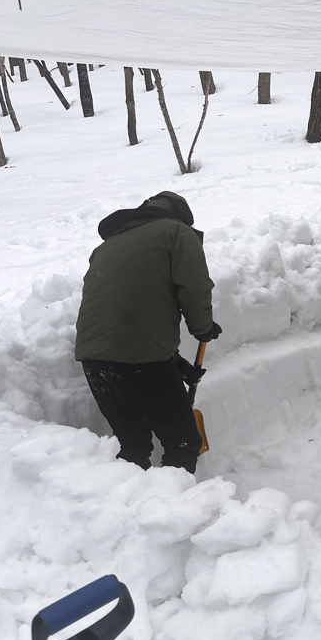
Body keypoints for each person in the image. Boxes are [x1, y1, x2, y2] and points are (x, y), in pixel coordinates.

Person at [75, 191, 221, 474]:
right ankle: (171, 511)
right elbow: (193, 286)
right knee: (183, 441)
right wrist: (203, 328)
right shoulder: (176, 232)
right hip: (138, 357)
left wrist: (175, 363)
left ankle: (127, 504)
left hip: (93, 359)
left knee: (134, 443)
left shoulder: (108, 245)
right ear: (181, 217)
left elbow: (132, 307)